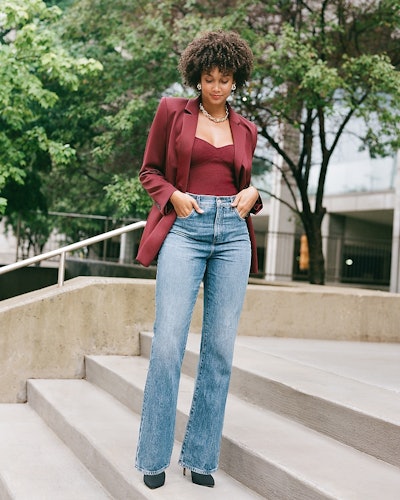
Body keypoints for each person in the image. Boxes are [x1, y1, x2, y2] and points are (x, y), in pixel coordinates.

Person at [134, 29, 262, 490]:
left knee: (220, 351)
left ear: (235, 80)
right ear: (196, 77)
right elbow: (149, 170)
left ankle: (200, 455)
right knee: (168, 343)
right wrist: (174, 197)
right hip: (185, 229)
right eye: (208, 78)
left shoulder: (246, 128)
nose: (216, 87)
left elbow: (246, 184)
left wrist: (253, 195)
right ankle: (153, 455)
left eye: (224, 79)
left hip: (232, 234)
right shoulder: (172, 112)